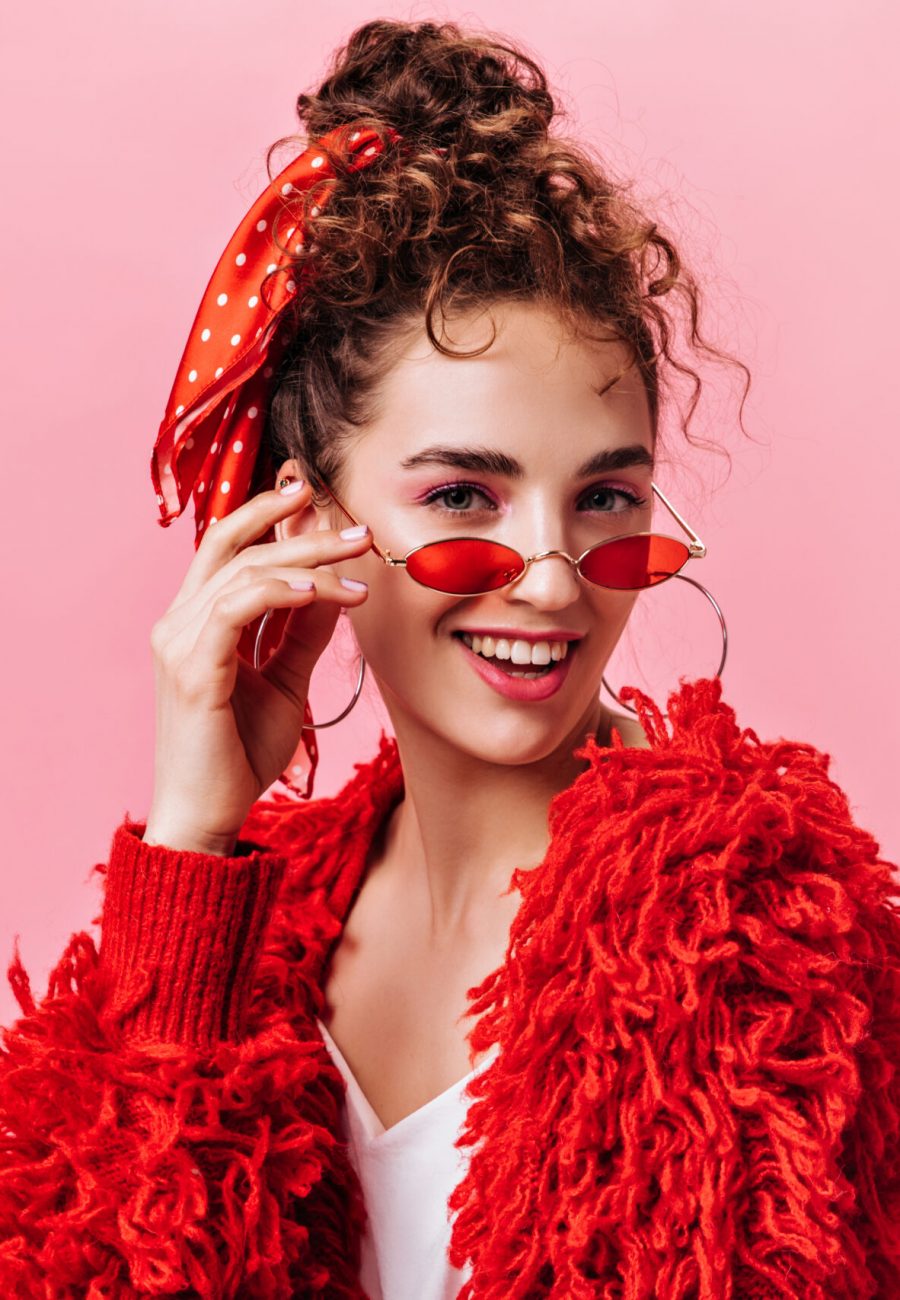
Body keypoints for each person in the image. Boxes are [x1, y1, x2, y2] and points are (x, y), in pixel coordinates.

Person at [1, 18, 898, 1300]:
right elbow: (88, 1263)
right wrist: (194, 848)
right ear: (313, 522)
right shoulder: (268, 926)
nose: (550, 574)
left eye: (604, 501)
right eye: (466, 496)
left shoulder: (761, 938)